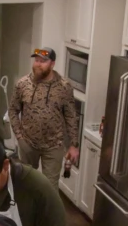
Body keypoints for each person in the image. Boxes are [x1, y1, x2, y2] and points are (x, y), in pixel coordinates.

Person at [8, 47, 80, 191]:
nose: (38, 64)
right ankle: (27, 213)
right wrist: (20, 138)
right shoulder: (23, 84)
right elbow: (13, 111)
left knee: (50, 189)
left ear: (52, 64)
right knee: (27, 184)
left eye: (43, 61)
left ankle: (47, 214)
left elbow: (71, 116)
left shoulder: (64, 87)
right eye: (37, 60)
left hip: (54, 146)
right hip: (28, 143)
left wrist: (74, 145)